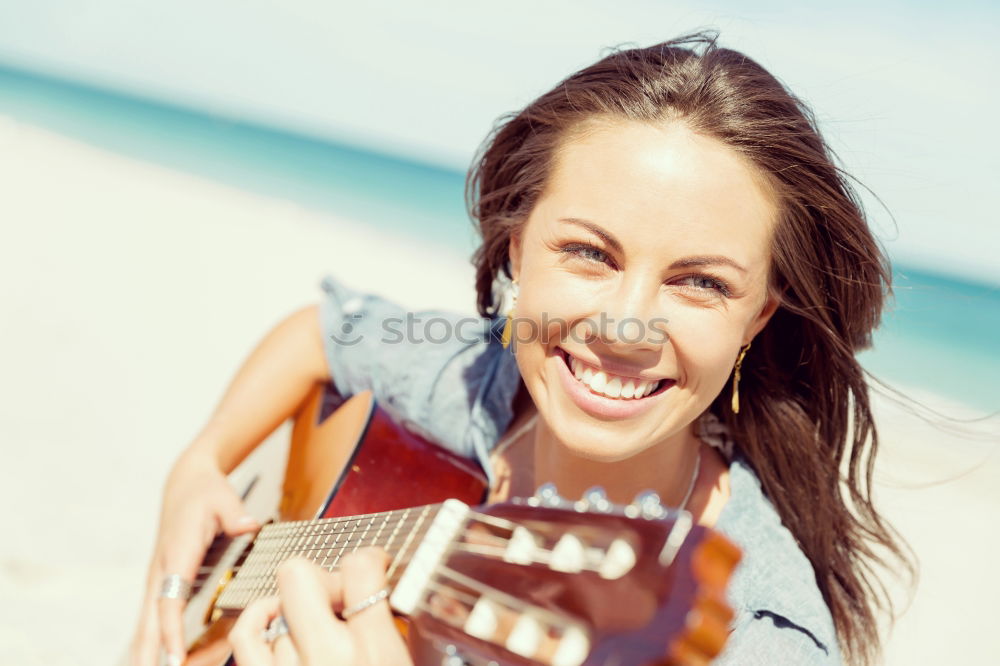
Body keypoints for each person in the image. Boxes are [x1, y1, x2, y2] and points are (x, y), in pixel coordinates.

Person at [129, 32, 913, 666]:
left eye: (701, 282)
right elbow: (320, 330)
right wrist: (197, 465)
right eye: (590, 254)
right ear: (516, 251)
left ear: (756, 319)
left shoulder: (760, 637)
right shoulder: (481, 384)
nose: (625, 325)